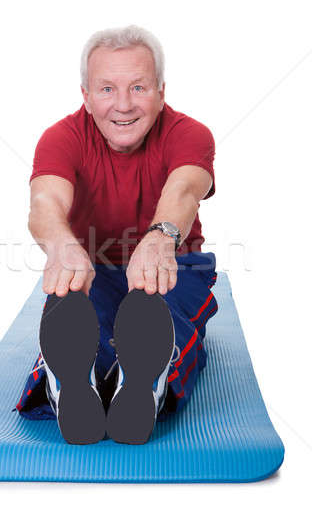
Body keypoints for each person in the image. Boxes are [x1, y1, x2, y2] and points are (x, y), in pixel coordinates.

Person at [14, 24, 218, 444]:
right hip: (93, 267)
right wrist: (62, 246)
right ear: (86, 96)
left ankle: (144, 381)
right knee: (79, 315)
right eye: (107, 89)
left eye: (138, 87)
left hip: (175, 263)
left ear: (161, 91)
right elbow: (44, 205)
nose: (123, 105)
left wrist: (161, 238)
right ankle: (76, 381)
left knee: (161, 310)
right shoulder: (61, 138)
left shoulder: (190, 134)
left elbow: (184, 189)